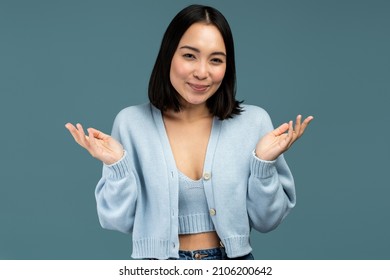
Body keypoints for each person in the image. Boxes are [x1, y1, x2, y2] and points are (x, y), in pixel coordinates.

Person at [65, 4, 313, 260]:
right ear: (169, 55)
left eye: (216, 60)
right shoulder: (131, 123)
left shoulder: (254, 122)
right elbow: (116, 221)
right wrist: (118, 167)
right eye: (190, 56)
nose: (202, 72)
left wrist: (263, 165)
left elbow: (267, 221)